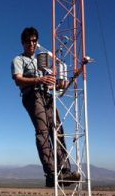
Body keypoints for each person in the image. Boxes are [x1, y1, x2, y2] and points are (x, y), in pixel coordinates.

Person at [11, 27, 80, 187]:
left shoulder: (40, 60)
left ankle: (64, 171)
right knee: (43, 131)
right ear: (23, 43)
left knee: (57, 130)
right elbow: (18, 80)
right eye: (28, 41)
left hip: (47, 96)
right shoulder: (19, 60)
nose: (32, 44)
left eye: (34, 41)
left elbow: (50, 79)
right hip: (32, 95)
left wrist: (58, 83)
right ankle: (51, 172)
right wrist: (39, 80)